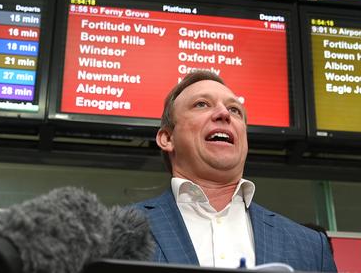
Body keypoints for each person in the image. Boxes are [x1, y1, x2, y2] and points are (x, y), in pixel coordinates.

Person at [134, 71, 337, 272]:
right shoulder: (117, 233)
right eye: (201, 104)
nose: (224, 114)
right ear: (167, 138)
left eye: (234, 110)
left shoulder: (311, 247)